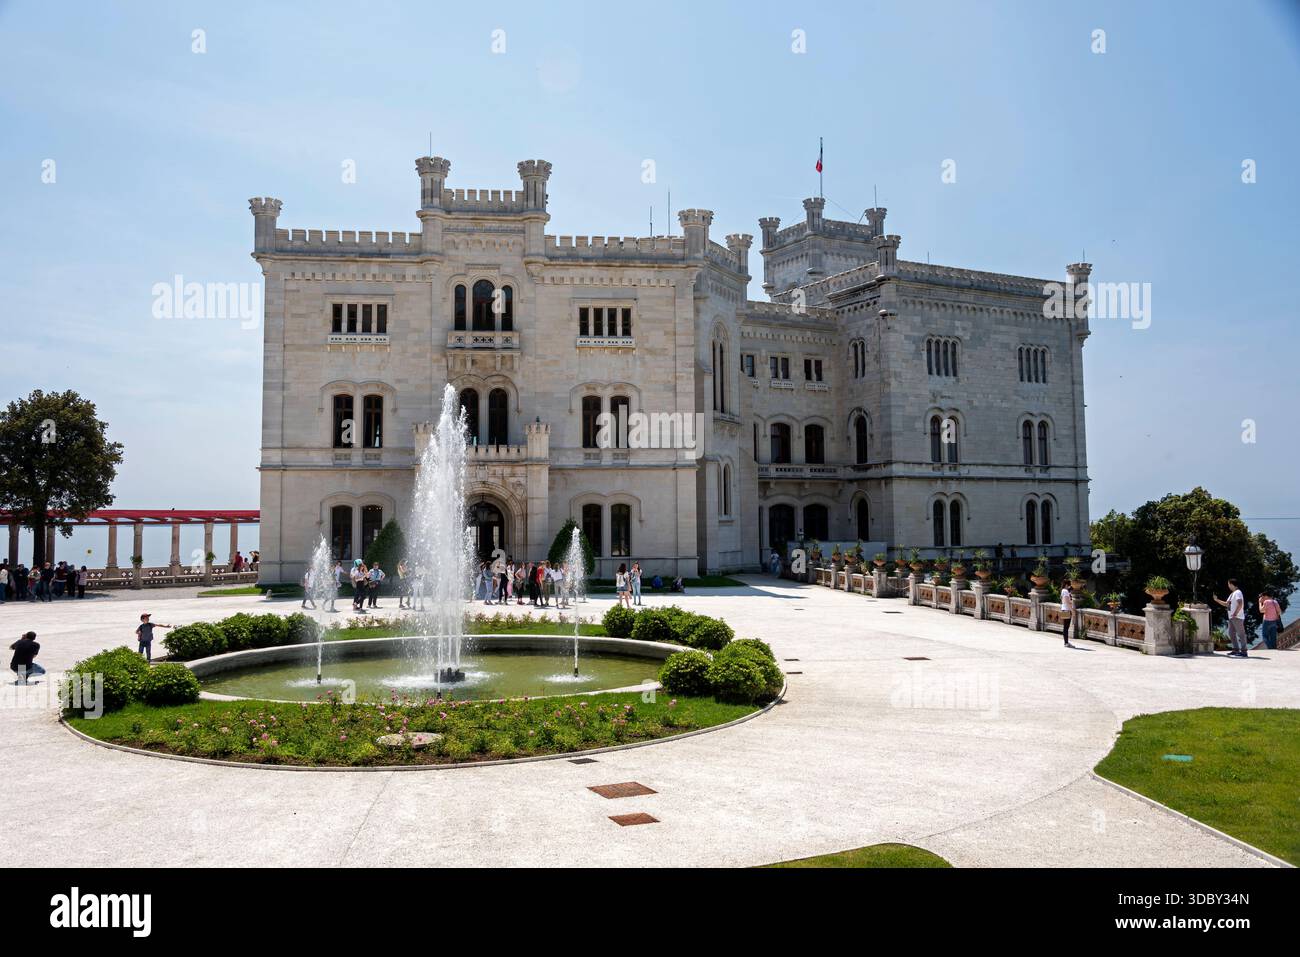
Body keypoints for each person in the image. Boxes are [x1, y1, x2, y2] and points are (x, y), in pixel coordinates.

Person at [1214, 579, 1249, 657]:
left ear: (1232, 584)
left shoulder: (1238, 592)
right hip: (1231, 617)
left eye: (1228, 584)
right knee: (1231, 633)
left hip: (1237, 617)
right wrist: (1217, 600)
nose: (1228, 586)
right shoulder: (1232, 594)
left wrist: (1235, 613)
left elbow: (1240, 603)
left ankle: (1244, 651)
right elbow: (1227, 604)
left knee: (1241, 634)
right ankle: (1236, 649)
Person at [1060, 581, 1075, 648]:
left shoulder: (1063, 591)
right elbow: (1067, 602)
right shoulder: (1065, 591)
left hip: (1063, 609)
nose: (1070, 586)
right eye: (1069, 585)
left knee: (1065, 627)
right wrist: (1072, 611)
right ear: (1066, 585)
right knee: (1066, 627)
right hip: (1067, 610)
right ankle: (1066, 643)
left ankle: (1066, 642)